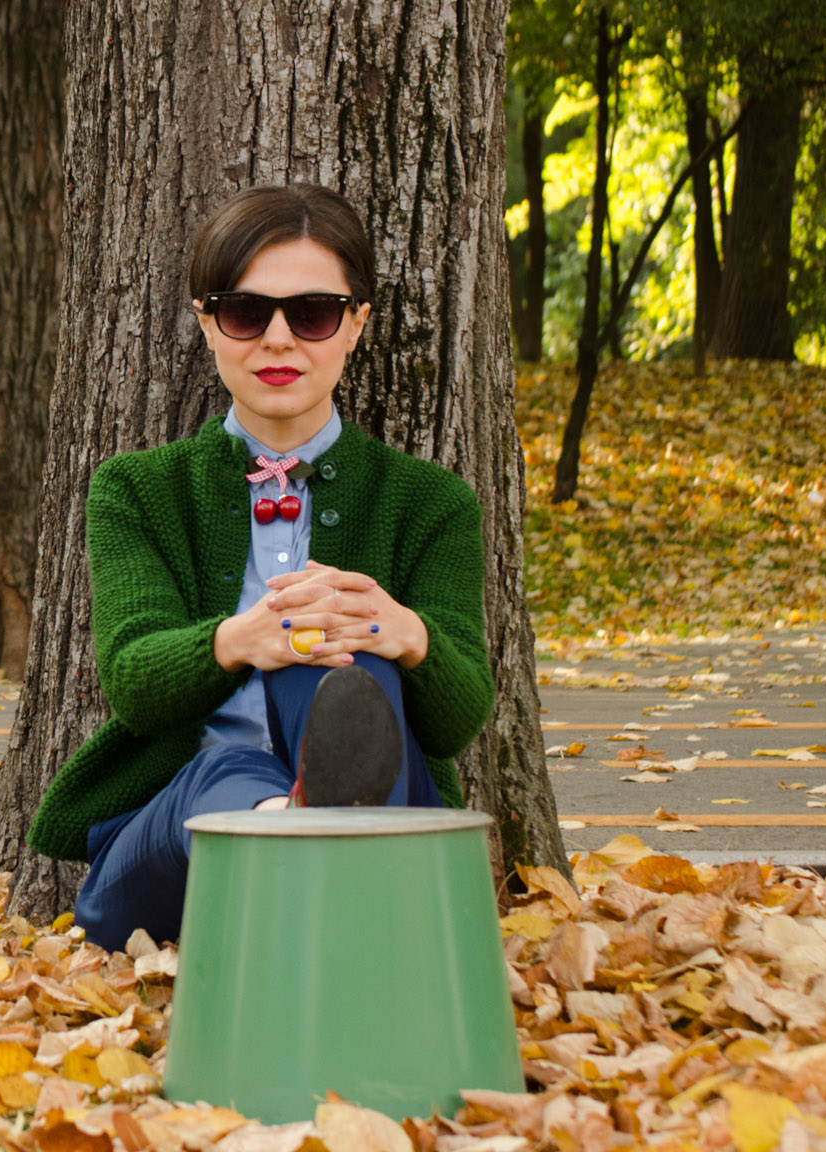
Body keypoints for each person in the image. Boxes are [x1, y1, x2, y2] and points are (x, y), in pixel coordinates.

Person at [26, 184, 496, 951]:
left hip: (391, 812)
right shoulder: (139, 490)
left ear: (356, 326)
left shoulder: (431, 503)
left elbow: (458, 717)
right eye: (248, 313)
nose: (279, 340)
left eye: (312, 314)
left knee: (342, 661)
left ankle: (318, 837)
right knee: (241, 754)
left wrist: (404, 632)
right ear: (208, 324)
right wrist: (241, 639)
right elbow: (133, 680)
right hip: (178, 841)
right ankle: (297, 837)